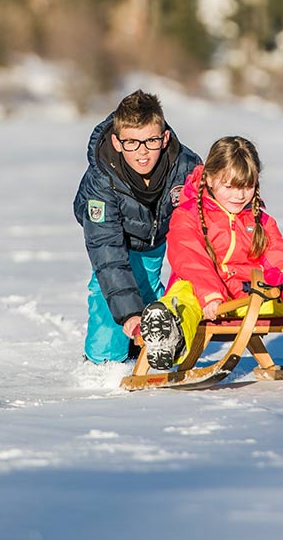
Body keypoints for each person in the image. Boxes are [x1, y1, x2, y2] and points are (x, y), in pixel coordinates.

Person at [138, 136, 283, 370]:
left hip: (248, 297)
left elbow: (280, 257)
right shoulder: (188, 214)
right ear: (209, 179)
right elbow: (190, 258)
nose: (239, 196)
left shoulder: (258, 219)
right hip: (202, 295)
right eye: (229, 186)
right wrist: (211, 294)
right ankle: (169, 334)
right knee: (183, 296)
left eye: (247, 187)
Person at [73, 90, 201, 364]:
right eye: (132, 142)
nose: (142, 152)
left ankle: (152, 346)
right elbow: (107, 253)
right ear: (117, 143)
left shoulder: (187, 167)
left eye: (151, 141)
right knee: (109, 295)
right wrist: (129, 315)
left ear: (164, 138)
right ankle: (102, 362)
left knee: (149, 289)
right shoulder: (102, 179)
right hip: (113, 235)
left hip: (156, 236)